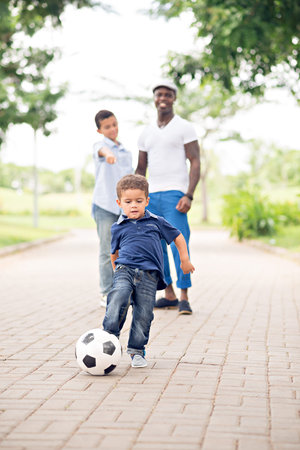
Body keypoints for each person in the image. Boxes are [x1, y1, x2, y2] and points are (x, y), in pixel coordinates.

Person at [102, 174, 195, 368]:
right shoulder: (118, 227)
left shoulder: (156, 222)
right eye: (128, 202)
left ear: (147, 201)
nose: (133, 205)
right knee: (118, 296)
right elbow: (114, 253)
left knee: (144, 313)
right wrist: (116, 272)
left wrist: (184, 259)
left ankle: (137, 350)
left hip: (149, 275)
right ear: (120, 203)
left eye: (139, 201)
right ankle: (109, 337)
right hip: (124, 270)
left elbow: (178, 237)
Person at [136, 81, 200, 315]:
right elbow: (140, 168)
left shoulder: (184, 127)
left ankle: (184, 297)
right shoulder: (146, 132)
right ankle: (169, 293)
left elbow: (195, 161)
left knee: (179, 243)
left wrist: (189, 195)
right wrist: (136, 199)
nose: (163, 98)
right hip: (152, 196)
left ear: (174, 98)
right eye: (159, 94)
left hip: (176, 195)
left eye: (168, 95)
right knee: (157, 247)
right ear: (154, 99)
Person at [92, 110, 132, 307]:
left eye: (114, 124)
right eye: (107, 127)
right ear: (100, 130)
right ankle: (106, 292)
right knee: (107, 249)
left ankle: (123, 290)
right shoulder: (100, 146)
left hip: (123, 209)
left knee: (125, 250)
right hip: (104, 205)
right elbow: (103, 152)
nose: (112, 129)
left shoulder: (125, 151)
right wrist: (108, 155)